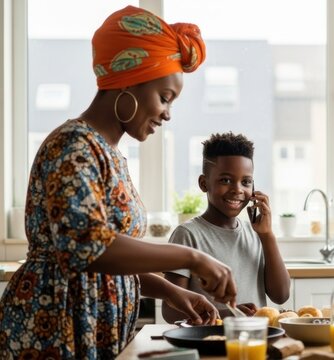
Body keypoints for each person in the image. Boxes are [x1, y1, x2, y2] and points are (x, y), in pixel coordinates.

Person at [0, 6, 238, 358]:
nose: (168, 113)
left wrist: (170, 291)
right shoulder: (73, 146)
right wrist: (192, 257)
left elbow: (111, 260)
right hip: (55, 330)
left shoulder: (109, 154)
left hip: (92, 329)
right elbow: (88, 248)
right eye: (165, 97)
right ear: (128, 83)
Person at [162, 132, 291, 322]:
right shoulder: (188, 235)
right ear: (204, 183)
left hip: (254, 342)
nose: (237, 189)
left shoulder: (256, 234)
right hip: (209, 342)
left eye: (246, 182)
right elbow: (171, 311)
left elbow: (281, 295)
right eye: (225, 180)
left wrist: (267, 236)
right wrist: (228, 315)